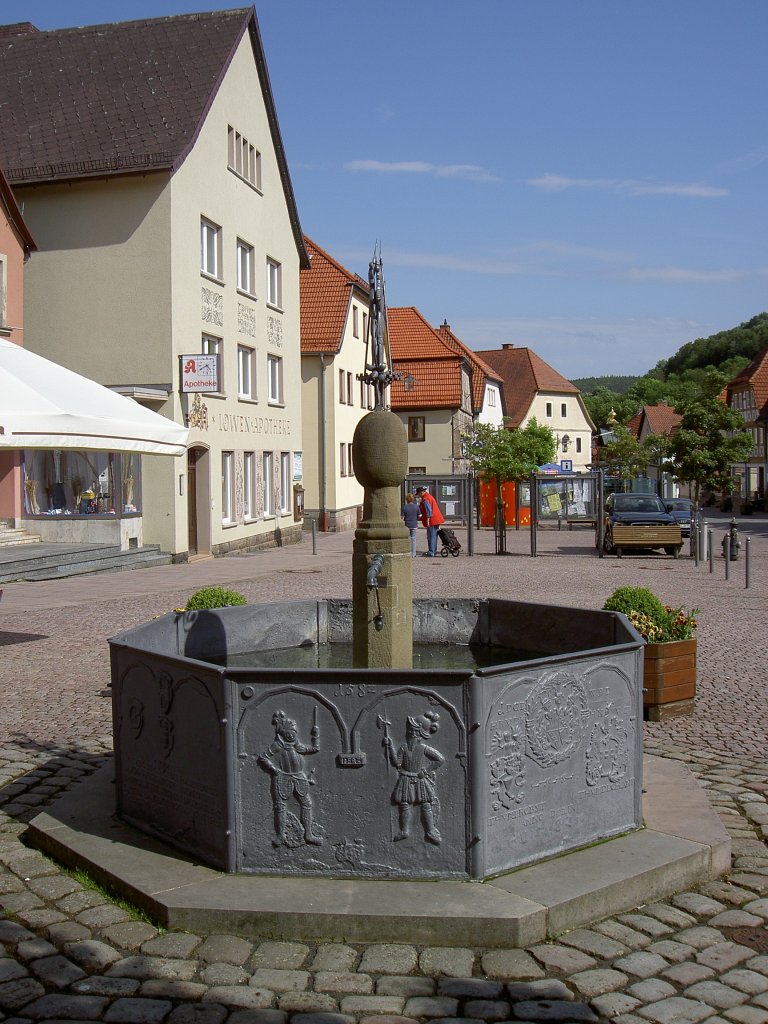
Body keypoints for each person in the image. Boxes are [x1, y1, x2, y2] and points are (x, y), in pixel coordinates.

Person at [415, 486, 445, 557]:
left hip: (432, 520)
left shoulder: (426, 499)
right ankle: (433, 551)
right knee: (434, 536)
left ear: (421, 492)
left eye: (418, 494)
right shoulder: (428, 497)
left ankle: (431, 552)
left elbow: (429, 511)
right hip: (436, 519)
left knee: (431, 536)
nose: (418, 495)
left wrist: (427, 521)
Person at [401, 492, 420, 557]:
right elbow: (420, 515)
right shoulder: (416, 507)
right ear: (413, 499)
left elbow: (402, 517)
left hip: (407, 524)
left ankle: (408, 552)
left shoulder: (405, 507)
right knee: (413, 539)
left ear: (407, 499)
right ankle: (413, 554)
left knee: (407, 539)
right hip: (414, 524)